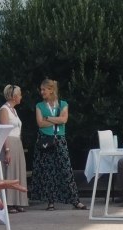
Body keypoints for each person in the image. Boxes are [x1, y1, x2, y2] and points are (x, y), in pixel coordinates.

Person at [31, 78, 87, 211]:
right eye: (41, 90)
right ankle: (50, 202)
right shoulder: (39, 105)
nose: (42, 92)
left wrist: (48, 118)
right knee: (47, 170)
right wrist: (56, 120)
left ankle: (75, 200)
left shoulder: (62, 104)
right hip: (45, 139)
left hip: (59, 138)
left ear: (51, 90)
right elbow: (40, 123)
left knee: (66, 170)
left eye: (44, 89)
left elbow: (64, 119)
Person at [0, 84, 29, 213]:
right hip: (9, 142)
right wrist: (7, 150)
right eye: (19, 95)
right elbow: (3, 131)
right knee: (9, 171)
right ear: (14, 96)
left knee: (17, 171)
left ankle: (17, 201)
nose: (21, 97)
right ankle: (8, 202)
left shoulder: (14, 111)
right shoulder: (4, 110)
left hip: (17, 142)